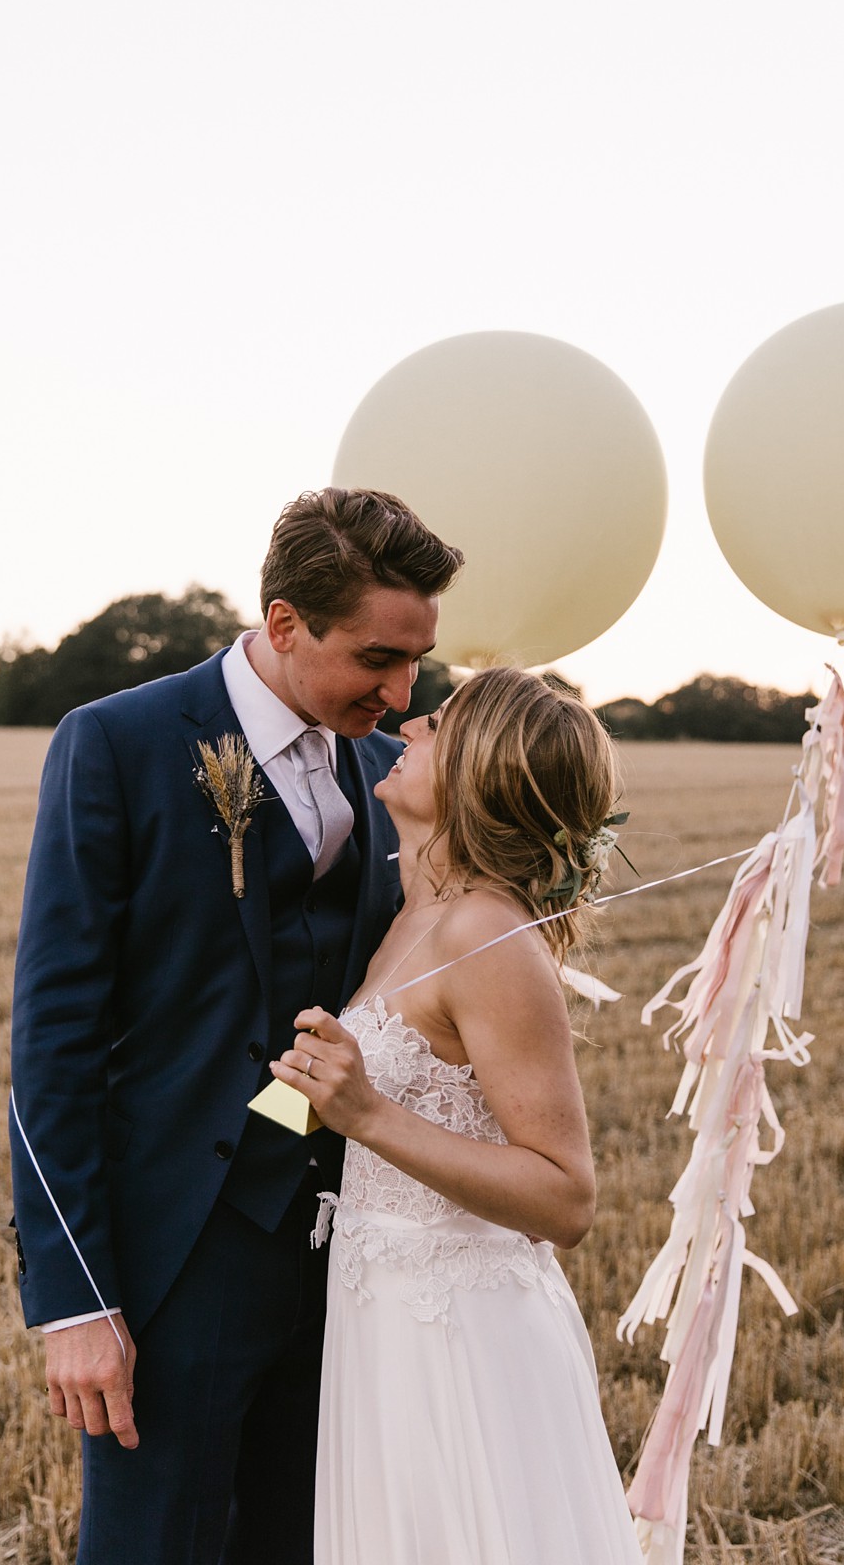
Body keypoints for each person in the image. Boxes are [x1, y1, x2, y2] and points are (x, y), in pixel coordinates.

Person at [8, 487, 463, 1564]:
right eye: (375, 660)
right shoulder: (114, 745)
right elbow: (55, 1035)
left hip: (356, 1248)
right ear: (284, 623)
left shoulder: (396, 774)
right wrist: (72, 1300)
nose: (401, 695)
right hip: (177, 1250)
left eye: (417, 664)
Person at [271, 666, 645, 1565]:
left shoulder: (486, 935)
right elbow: (325, 1105)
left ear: (479, 769)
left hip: (463, 1340)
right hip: (379, 1322)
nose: (403, 732)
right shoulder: (409, 920)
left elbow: (566, 1199)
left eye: (432, 728)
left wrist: (365, 1113)